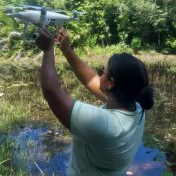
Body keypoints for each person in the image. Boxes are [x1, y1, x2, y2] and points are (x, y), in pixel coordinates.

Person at [35, 27, 154, 176]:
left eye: (102, 71)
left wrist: (48, 50)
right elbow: (90, 79)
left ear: (111, 83)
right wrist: (66, 50)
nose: (98, 74)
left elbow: (52, 93)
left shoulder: (108, 126)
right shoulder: (136, 106)